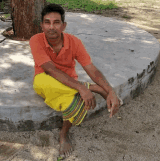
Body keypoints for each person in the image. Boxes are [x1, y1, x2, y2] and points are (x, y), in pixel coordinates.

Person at [29, 3, 123, 158]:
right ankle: (94, 88)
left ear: (64, 26)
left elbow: (91, 68)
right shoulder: (36, 40)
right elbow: (50, 70)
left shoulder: (75, 42)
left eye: (56, 22)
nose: (51, 27)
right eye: (47, 22)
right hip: (46, 79)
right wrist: (83, 88)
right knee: (43, 83)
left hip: (69, 82)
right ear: (41, 25)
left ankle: (63, 134)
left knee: (72, 100)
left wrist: (111, 91)